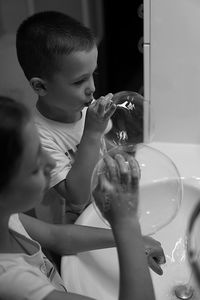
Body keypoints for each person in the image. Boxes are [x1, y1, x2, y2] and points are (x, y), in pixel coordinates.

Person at [0, 96, 164, 299]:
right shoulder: (11, 284)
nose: (51, 162)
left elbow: (56, 237)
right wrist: (126, 223)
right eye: (34, 166)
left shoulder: (9, 218)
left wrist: (136, 241)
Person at [16, 11, 116, 224]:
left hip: (102, 210)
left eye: (93, 74)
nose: (92, 88)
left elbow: (107, 145)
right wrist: (92, 132)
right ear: (40, 86)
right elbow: (77, 197)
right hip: (68, 230)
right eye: (79, 81)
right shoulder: (36, 136)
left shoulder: (84, 104)